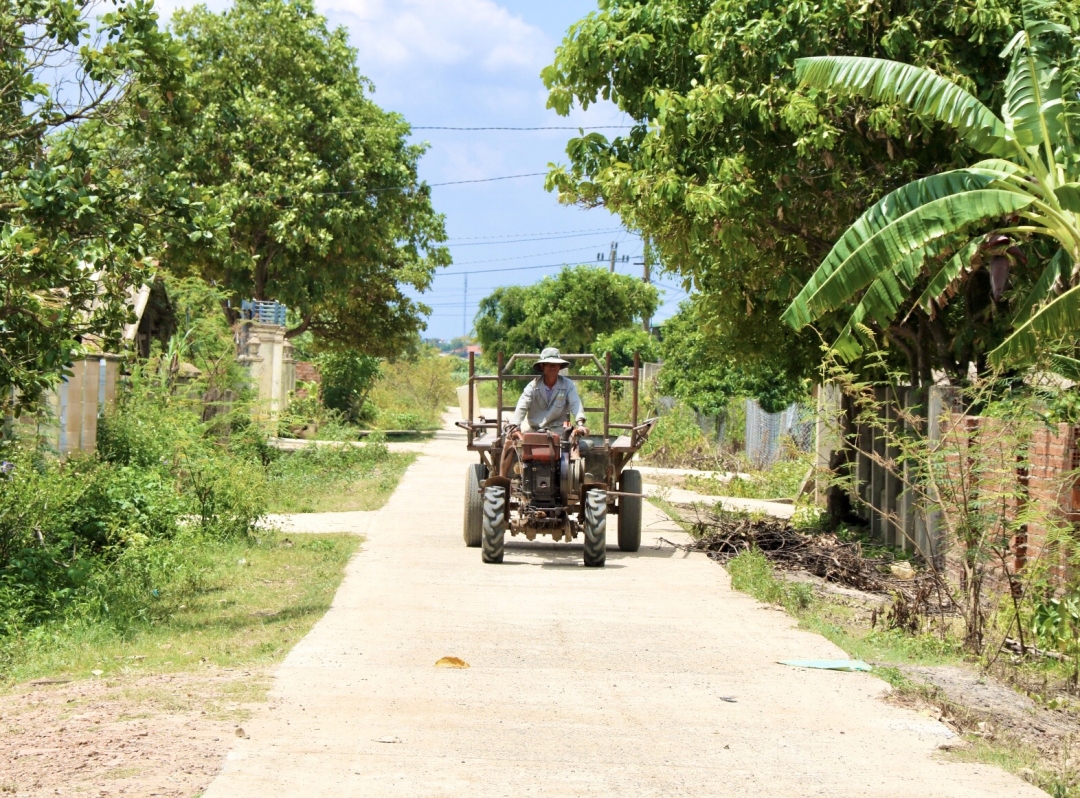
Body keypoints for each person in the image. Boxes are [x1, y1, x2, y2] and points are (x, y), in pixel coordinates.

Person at [501, 348, 587, 476]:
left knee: (574, 443)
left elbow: (575, 403)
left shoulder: (568, 385)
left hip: (559, 429)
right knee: (509, 441)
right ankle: (501, 480)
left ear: (560, 366)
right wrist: (515, 425)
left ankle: (574, 480)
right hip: (534, 428)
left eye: (555, 364)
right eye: (548, 364)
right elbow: (522, 405)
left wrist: (580, 423)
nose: (552, 368)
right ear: (542, 366)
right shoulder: (533, 386)